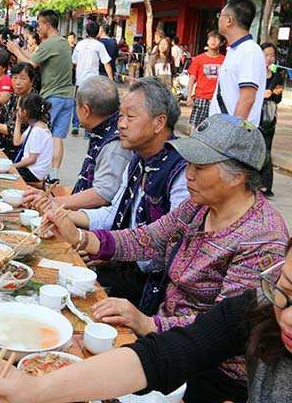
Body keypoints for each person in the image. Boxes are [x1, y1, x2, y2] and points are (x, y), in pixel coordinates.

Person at [36, 114, 289, 401]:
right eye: (189, 164)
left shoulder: (262, 238)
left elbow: (220, 330)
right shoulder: (198, 206)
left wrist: (147, 324)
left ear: (238, 176)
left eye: (199, 167)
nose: (188, 174)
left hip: (211, 372)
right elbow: (148, 238)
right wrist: (80, 237)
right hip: (165, 341)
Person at [0, 242, 292, 403]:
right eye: (287, 291)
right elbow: (163, 356)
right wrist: (35, 389)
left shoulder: (259, 239)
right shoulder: (261, 306)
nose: (287, 317)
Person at [25, 78, 188, 309]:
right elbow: (113, 213)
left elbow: (166, 246)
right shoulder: (138, 160)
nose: (121, 124)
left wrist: (96, 244)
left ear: (159, 122)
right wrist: (61, 214)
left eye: (130, 117)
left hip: (151, 285)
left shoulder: (181, 173)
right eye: (120, 116)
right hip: (123, 262)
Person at [5, 9, 75, 185]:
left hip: (52, 95)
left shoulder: (49, 43)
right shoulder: (63, 42)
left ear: (47, 24)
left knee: (40, 131)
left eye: (39, 24)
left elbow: (31, 64)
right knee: (57, 137)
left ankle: (36, 172)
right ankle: (54, 174)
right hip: (68, 96)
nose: (37, 28)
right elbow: (35, 56)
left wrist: (15, 51)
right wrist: (20, 49)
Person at [57, 76, 132, 210]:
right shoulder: (104, 129)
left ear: (86, 110)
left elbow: (103, 194)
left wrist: (56, 202)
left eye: (77, 105)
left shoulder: (115, 143)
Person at [210, 0, 267, 125]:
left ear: (229, 20)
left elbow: (247, 98)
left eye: (220, 15)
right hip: (221, 129)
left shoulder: (249, 51)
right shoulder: (234, 50)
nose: (218, 19)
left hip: (232, 133)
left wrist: (232, 132)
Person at [0, 63, 35, 157]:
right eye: (14, 78)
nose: (17, 82)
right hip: (1, 142)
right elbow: (1, 112)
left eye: (23, 78)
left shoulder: (32, 102)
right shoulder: (15, 96)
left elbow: (13, 130)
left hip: (17, 152)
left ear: (32, 81)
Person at [259, 42, 286, 197]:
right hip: (252, 116)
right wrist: (261, 94)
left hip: (267, 118)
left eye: (272, 55)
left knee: (266, 150)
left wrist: (275, 94)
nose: (269, 58)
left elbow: (278, 99)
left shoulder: (277, 77)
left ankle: (265, 185)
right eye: (266, 55)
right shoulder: (253, 74)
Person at [187, 31, 225, 128]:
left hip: (217, 99)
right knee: (195, 127)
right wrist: (189, 96)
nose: (213, 41)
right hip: (201, 97)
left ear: (221, 43)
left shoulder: (225, 60)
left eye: (217, 39)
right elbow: (192, 79)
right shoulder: (199, 59)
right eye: (211, 38)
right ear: (207, 41)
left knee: (214, 127)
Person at [12, 93, 53, 183]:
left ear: (25, 112)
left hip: (34, 173)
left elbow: (32, 159)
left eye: (19, 109)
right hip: (31, 169)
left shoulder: (37, 131)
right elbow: (17, 142)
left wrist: (13, 166)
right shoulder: (34, 125)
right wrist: (18, 122)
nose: (17, 110)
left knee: (5, 174)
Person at [73, 21, 114, 87]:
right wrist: (111, 80)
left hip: (79, 81)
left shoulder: (79, 44)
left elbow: (74, 62)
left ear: (87, 32)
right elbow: (106, 63)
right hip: (92, 82)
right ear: (98, 32)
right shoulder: (99, 45)